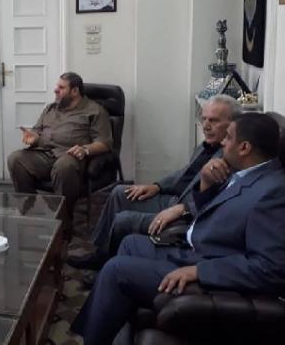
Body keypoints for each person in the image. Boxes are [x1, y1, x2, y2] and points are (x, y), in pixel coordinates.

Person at [70, 112, 285, 345]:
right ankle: (113, 323)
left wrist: (199, 271)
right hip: (192, 250)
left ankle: (95, 336)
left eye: (228, 137)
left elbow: (271, 269)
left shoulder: (279, 194)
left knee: (115, 270)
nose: (223, 143)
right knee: (130, 243)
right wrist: (205, 183)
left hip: (210, 271)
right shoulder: (243, 172)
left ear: (244, 148)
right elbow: (209, 210)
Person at [68, 94, 240, 272]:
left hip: (186, 215)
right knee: (120, 192)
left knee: (123, 220)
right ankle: (100, 253)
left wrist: (184, 208)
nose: (206, 126)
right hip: (175, 199)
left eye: (214, 120)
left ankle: (108, 267)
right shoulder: (206, 146)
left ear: (233, 124)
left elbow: (219, 203)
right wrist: (156, 186)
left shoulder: (228, 159)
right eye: (204, 119)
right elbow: (184, 174)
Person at [7, 72, 112, 226]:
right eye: (57, 86)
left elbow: (105, 143)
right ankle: (29, 211)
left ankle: (63, 223)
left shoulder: (95, 111)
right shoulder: (50, 108)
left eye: (61, 88)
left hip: (70, 156)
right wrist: (33, 138)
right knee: (15, 159)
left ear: (74, 91)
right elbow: (37, 131)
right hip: (44, 154)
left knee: (63, 166)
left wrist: (85, 149)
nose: (55, 90)